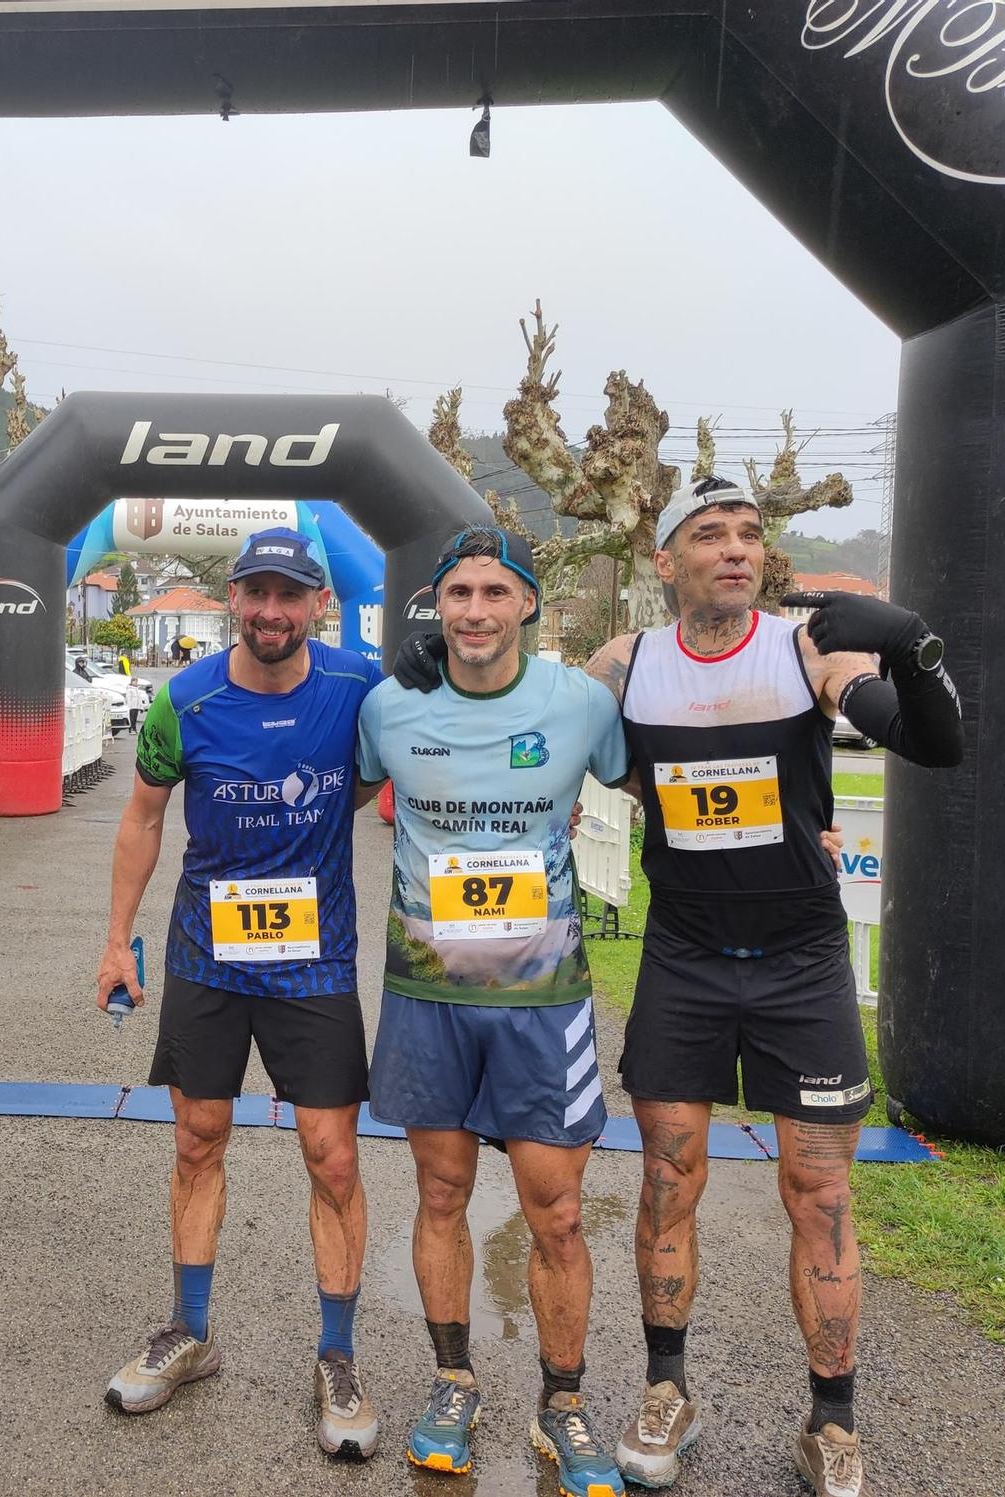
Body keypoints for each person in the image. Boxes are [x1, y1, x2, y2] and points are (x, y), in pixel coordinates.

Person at [575, 476, 964, 1497]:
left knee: (819, 1192)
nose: (737, 550)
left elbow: (933, 741)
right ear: (664, 561)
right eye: (709, 534)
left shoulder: (803, 651)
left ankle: (829, 1422)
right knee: (666, 1181)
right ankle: (668, 1390)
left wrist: (913, 645)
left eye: (750, 533)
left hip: (799, 964)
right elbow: (525, 739)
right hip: (681, 959)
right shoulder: (622, 664)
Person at [95, 526, 386, 1459]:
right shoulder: (184, 698)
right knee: (197, 1138)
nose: (271, 611)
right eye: (255, 593)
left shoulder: (358, 690)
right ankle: (191, 1331)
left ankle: (336, 1356)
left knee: (332, 1156)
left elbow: (424, 765)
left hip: (315, 962)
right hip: (206, 957)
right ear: (233, 597)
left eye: (289, 594)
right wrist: (114, 943)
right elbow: (142, 818)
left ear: (317, 605)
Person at [357, 527, 631, 1493]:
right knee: (439, 1195)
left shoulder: (580, 705)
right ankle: (452, 1381)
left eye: (494, 592)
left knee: (554, 1213)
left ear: (526, 603)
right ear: (438, 606)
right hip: (427, 994)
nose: (474, 611)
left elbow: (667, 770)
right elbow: (324, 793)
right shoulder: (390, 706)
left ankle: (563, 1402)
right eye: (458, 593)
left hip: (541, 1001)